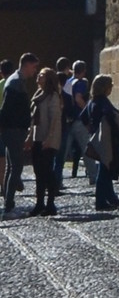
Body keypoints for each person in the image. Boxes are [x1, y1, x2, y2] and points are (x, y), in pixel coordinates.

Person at [84, 76, 119, 212]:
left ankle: (111, 197)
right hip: (105, 140)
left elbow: (83, 117)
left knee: (105, 168)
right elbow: (110, 117)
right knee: (104, 170)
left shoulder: (92, 101)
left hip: (98, 138)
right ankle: (101, 200)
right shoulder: (102, 102)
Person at [0, 53, 35, 215]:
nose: (35, 71)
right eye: (34, 66)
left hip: (11, 129)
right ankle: (8, 205)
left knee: (11, 168)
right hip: (13, 130)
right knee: (16, 167)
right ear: (27, 64)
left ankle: (9, 202)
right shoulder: (15, 82)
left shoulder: (15, 80)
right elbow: (8, 110)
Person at [28, 65, 64, 213]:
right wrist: (30, 137)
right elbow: (33, 119)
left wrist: (49, 138)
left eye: (42, 75)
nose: (38, 77)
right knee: (38, 171)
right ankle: (39, 202)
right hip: (37, 137)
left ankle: (50, 203)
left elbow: (55, 119)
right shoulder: (38, 94)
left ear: (48, 79)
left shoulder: (52, 96)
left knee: (47, 171)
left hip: (48, 139)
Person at [63, 60, 89, 177]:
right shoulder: (81, 83)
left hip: (68, 119)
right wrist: (87, 110)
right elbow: (79, 98)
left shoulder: (68, 82)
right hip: (79, 119)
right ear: (83, 71)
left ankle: (57, 178)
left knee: (63, 151)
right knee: (86, 149)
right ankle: (93, 175)